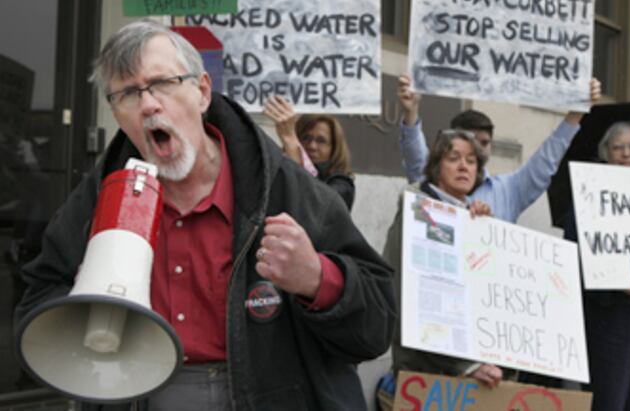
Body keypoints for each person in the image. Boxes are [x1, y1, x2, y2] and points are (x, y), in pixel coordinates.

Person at [14, 21, 395, 411]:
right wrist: (90, 302)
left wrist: (318, 280)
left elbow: (377, 327)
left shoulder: (284, 187)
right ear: (116, 112)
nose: (148, 104)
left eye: (163, 82)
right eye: (128, 93)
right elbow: (39, 299)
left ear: (202, 92)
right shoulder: (100, 197)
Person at [377, 129, 498, 410]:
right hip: (424, 372)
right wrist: (465, 365)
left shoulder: (472, 217)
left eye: (471, 161)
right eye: (453, 158)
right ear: (436, 166)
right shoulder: (417, 213)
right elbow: (406, 296)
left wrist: (483, 232)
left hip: (469, 373)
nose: (463, 166)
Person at [397, 74, 602, 224]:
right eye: (455, 155)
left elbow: (546, 160)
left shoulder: (510, 189)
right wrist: (411, 111)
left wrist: (576, 113)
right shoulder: (428, 182)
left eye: (483, 143)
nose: (475, 151)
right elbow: (415, 154)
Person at [564, 121, 630, 411]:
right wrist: (613, 282)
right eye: (618, 147)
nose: (626, 154)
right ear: (605, 153)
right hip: (608, 313)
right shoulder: (587, 195)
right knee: (609, 397)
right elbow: (574, 255)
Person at [263, 95, 355, 210]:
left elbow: (317, 207)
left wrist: (289, 139)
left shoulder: (342, 184)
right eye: (306, 138)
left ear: (334, 148)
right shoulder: (277, 170)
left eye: (321, 141)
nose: (312, 146)